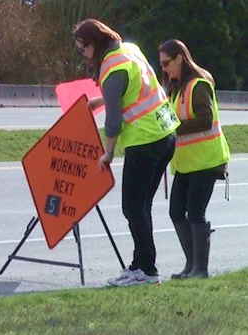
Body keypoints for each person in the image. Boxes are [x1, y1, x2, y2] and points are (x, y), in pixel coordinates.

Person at [73, 19, 180, 286]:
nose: (83, 55)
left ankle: (146, 270)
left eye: (82, 49)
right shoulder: (129, 50)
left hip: (145, 141)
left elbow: (113, 122)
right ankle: (141, 264)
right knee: (141, 207)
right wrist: (104, 98)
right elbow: (135, 89)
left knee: (132, 207)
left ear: (94, 44)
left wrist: (108, 152)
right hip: (166, 133)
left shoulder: (110, 69)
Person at [158, 39, 230, 279]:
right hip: (187, 163)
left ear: (180, 58)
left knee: (195, 212)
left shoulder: (198, 85)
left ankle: (200, 270)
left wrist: (173, 127)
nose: (164, 69)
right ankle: (191, 266)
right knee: (177, 211)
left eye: (166, 63)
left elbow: (205, 120)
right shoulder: (177, 88)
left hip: (206, 161)